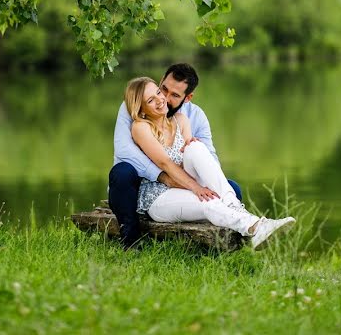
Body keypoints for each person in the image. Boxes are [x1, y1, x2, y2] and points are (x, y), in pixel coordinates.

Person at [116, 76, 296, 249]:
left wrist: (203, 183)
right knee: (207, 202)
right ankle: (256, 226)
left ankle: (236, 207)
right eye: (150, 100)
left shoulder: (180, 120)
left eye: (158, 92)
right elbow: (165, 164)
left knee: (195, 147)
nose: (160, 100)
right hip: (159, 197)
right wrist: (196, 188)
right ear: (141, 109)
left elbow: (197, 157)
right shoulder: (140, 128)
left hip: (185, 184)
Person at [109, 63, 237, 247]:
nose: (165, 99)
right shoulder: (138, 102)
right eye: (164, 89)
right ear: (160, 81)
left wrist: (197, 183)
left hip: (183, 185)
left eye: (175, 95)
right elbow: (124, 150)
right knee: (122, 172)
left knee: (232, 189)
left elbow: (210, 158)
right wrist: (162, 176)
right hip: (138, 187)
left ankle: (210, 226)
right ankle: (131, 239)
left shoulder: (195, 116)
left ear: (188, 97)